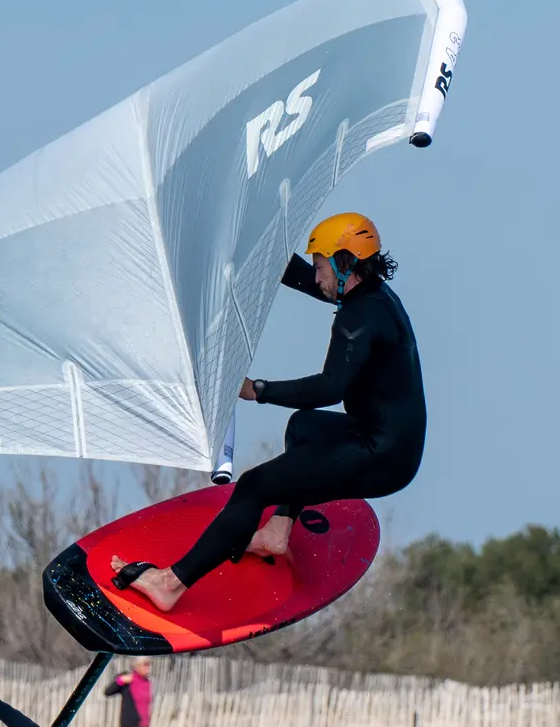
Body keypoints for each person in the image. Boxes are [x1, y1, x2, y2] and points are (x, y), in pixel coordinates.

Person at [112, 212, 425, 612]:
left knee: (253, 487)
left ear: (345, 262)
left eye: (320, 267)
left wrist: (258, 390)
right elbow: (308, 284)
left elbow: (330, 387)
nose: (316, 277)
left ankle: (170, 584)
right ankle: (277, 531)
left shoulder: (358, 319)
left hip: (381, 455)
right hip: (389, 440)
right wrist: (257, 253)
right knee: (304, 427)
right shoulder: (374, 297)